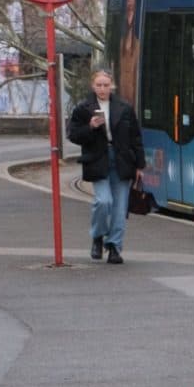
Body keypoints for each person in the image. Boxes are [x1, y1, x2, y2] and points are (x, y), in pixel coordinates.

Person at [68, 68, 142, 263]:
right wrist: (90, 127)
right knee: (103, 201)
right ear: (93, 86)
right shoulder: (83, 108)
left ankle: (115, 247)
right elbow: (73, 134)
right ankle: (98, 236)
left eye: (106, 85)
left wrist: (140, 165)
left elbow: (135, 137)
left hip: (122, 159)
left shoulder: (124, 108)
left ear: (112, 86)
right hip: (97, 159)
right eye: (99, 85)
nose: (102, 89)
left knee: (119, 208)